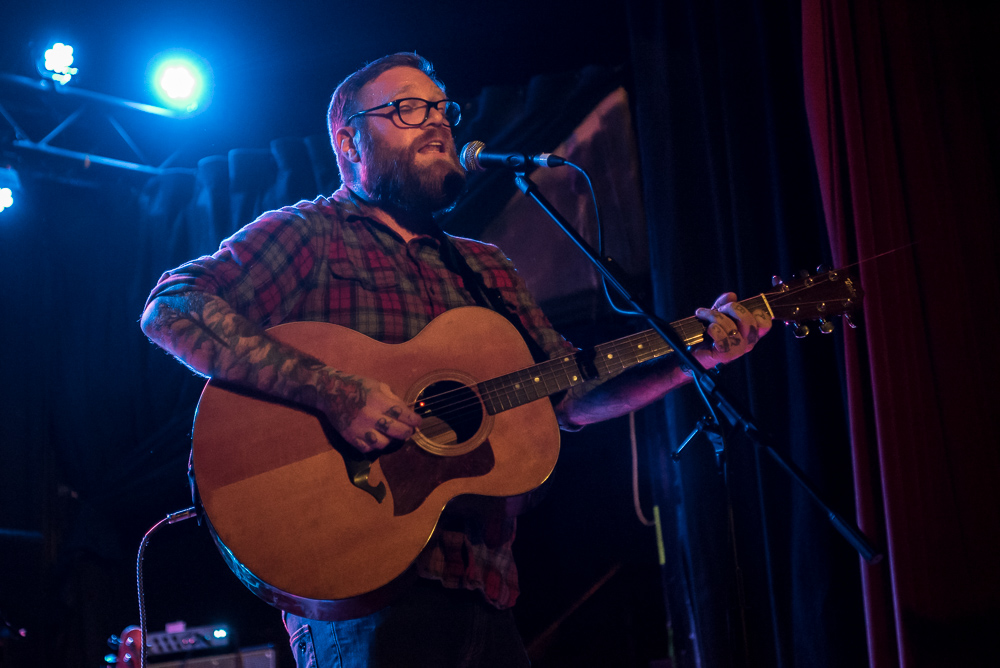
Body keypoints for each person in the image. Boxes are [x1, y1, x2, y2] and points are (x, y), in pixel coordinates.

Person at [140, 52, 771, 668]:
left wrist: (690, 358)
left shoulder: (487, 268)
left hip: (487, 595)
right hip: (358, 592)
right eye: (409, 109)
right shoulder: (311, 233)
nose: (438, 121)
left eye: (442, 109)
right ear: (350, 143)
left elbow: (572, 397)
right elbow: (173, 306)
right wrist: (333, 391)